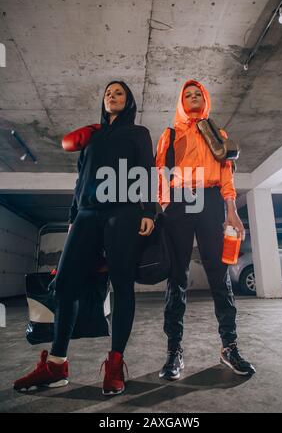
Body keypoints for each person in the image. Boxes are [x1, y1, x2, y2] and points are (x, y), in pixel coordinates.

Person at [14, 81, 156, 395]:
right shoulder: (92, 137)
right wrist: (72, 219)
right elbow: (82, 180)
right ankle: (56, 365)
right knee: (64, 284)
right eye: (108, 93)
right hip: (87, 214)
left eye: (119, 92)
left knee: (121, 285)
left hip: (125, 210)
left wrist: (151, 210)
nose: (112, 96)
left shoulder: (138, 134)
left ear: (128, 101)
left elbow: (148, 169)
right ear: (103, 103)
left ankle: (115, 363)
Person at [156, 79, 255, 380]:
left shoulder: (218, 134)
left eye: (198, 94)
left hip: (211, 200)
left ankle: (230, 347)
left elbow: (226, 178)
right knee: (177, 277)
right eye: (188, 95)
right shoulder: (170, 134)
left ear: (205, 98)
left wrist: (232, 212)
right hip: (180, 203)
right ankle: (174, 351)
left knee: (220, 275)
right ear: (181, 102)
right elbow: (160, 173)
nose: (194, 97)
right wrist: (164, 207)